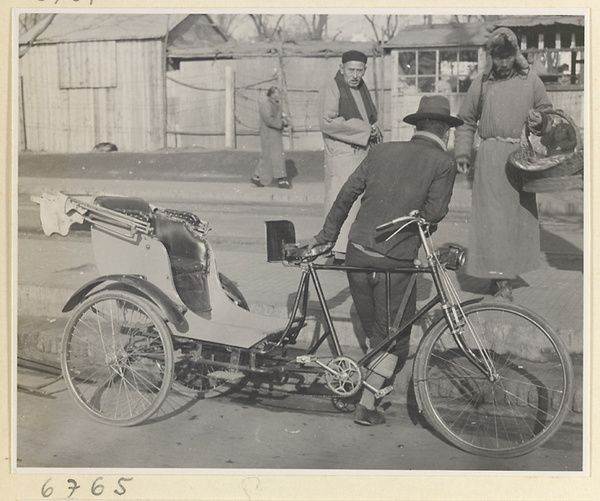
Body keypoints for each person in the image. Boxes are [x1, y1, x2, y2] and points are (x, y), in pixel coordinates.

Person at [310, 95, 462, 425]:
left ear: (417, 126)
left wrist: (325, 238)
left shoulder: (380, 151)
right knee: (394, 338)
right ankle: (366, 405)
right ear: (445, 132)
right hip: (394, 263)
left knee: (375, 331)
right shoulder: (444, 163)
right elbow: (433, 214)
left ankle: (371, 389)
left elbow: (346, 194)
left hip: (357, 254)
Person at [454, 27, 552, 301]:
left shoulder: (530, 80)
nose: (503, 64)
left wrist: (541, 122)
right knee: (493, 221)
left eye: (507, 58)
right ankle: (499, 279)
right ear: (491, 57)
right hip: (490, 159)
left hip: (519, 157)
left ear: (515, 55)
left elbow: (548, 112)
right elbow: (466, 120)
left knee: (516, 220)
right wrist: (463, 153)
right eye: (498, 58)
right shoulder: (482, 83)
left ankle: (509, 271)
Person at [318, 50, 382, 263]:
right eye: (351, 70)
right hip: (342, 154)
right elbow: (327, 122)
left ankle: (351, 249)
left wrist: (372, 130)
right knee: (342, 202)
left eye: (359, 71)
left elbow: (369, 118)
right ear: (341, 68)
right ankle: (337, 251)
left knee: (359, 204)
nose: (355, 75)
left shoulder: (362, 89)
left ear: (365, 70)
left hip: (362, 152)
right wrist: (365, 130)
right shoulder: (332, 88)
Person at [251, 86, 291, 189]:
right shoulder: (266, 105)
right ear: (272, 94)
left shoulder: (276, 105)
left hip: (275, 135)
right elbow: (269, 120)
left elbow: (282, 116)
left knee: (270, 157)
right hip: (269, 135)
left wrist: (285, 121)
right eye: (277, 93)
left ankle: (257, 177)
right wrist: (282, 122)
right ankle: (281, 180)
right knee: (273, 157)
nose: (279, 96)